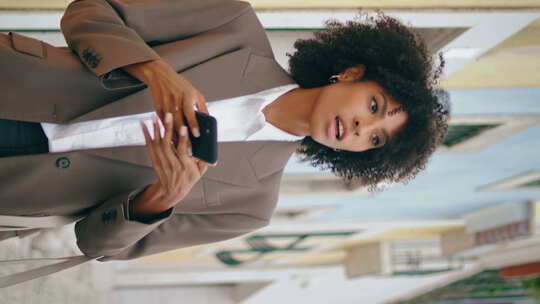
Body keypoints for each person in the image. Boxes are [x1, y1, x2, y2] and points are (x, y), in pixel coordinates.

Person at [0, 0, 448, 285]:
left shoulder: (251, 205)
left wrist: (160, 199)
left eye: (374, 140)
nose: (359, 129)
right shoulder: (233, 24)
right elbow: (88, 11)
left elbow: (99, 245)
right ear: (352, 73)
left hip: (14, 187)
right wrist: (158, 74)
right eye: (374, 107)